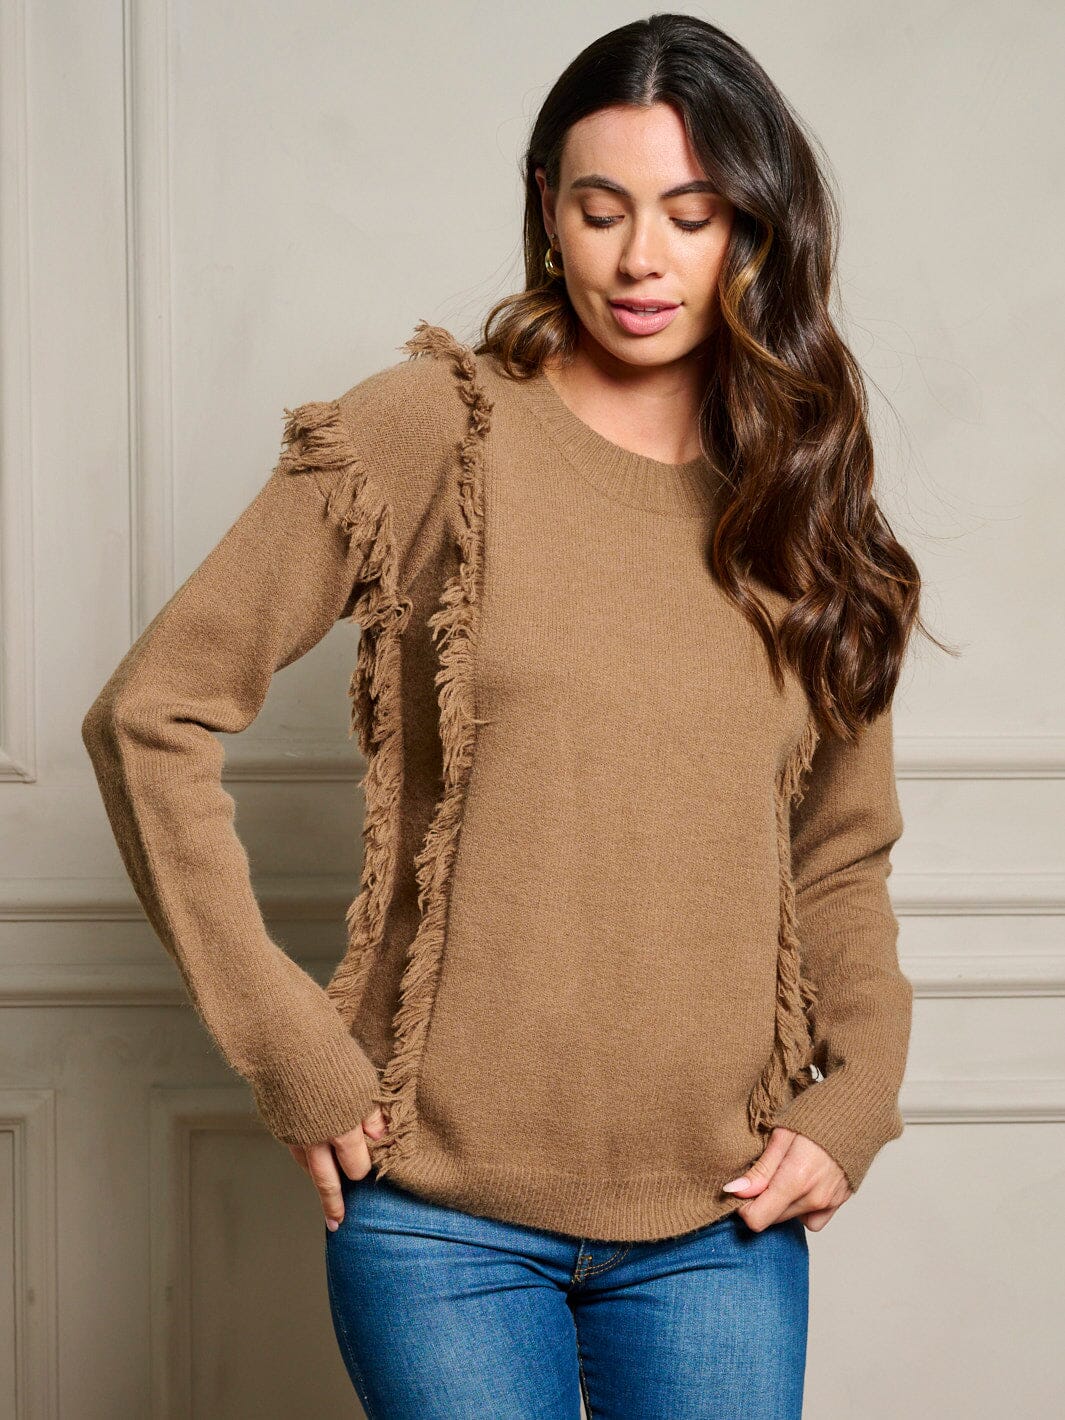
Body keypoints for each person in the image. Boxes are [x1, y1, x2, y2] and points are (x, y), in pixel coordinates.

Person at [81, 13, 937, 1418]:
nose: (641, 258)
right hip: (438, 1222)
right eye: (601, 209)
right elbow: (152, 715)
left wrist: (854, 1101)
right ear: (547, 210)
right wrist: (289, 1044)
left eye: (691, 215)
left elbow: (839, 854)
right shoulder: (435, 432)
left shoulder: (800, 498)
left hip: (720, 1220)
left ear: (754, 229)